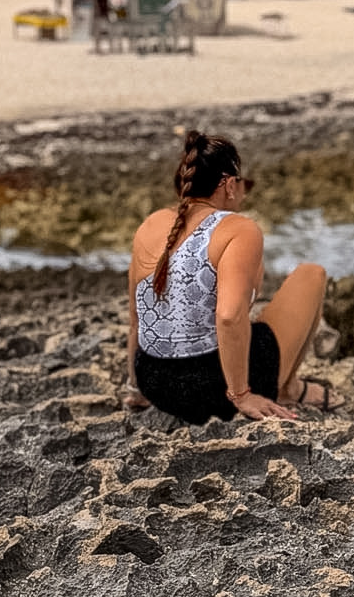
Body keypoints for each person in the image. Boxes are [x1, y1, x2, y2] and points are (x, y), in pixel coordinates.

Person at [127, 129, 334, 423]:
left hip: (155, 384)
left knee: (246, 326)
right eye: (241, 182)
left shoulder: (151, 223)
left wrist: (137, 389)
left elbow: (136, 320)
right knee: (312, 274)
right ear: (228, 184)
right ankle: (287, 388)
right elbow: (229, 317)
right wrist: (241, 395)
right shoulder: (238, 229)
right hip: (212, 391)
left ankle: (286, 385)